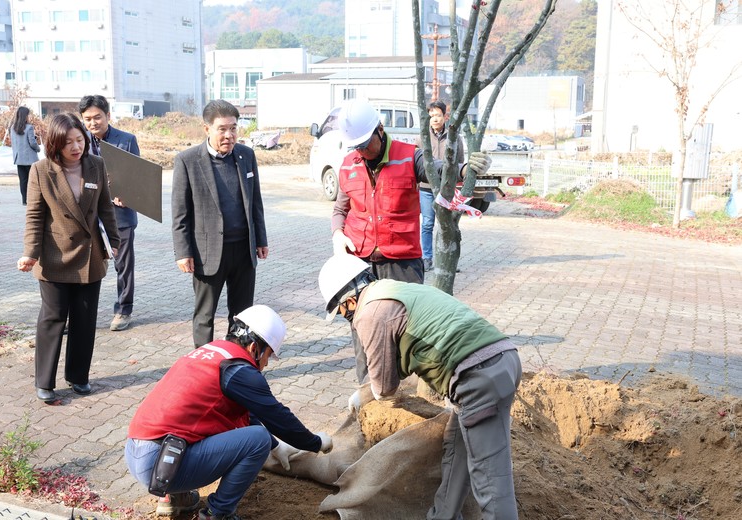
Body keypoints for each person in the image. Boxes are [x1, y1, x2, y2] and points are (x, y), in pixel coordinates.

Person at [318, 254, 522, 520]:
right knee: (457, 450)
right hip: (499, 360)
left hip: (477, 377)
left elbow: (384, 388)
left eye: (341, 312)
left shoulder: (370, 313)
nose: (346, 317)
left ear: (350, 301)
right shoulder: (394, 290)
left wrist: (364, 394)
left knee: (491, 481)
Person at [330, 98, 490, 383]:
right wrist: (338, 234)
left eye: (366, 144)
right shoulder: (348, 164)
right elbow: (340, 209)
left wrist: (466, 169)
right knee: (364, 332)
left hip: (401, 263)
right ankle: (370, 392)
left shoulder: (409, 157)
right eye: (357, 147)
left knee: (406, 333)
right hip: (361, 265)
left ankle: (402, 390)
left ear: (380, 130)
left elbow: (440, 170)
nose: (362, 151)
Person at [125, 304, 333, 520]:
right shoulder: (239, 370)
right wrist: (315, 443)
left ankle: (175, 498)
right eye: (268, 355)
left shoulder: (211, 352)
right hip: (160, 465)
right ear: (254, 348)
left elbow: (245, 414)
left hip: (138, 453)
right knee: (258, 440)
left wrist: (276, 446)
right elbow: (277, 416)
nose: (266, 363)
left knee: (198, 423)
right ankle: (218, 513)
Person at [17, 112, 120, 403]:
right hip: (55, 256)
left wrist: (114, 242)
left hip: (90, 255)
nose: (76, 147)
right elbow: (34, 216)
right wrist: (30, 253)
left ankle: (78, 376)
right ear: (55, 144)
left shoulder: (96, 165)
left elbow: (105, 207)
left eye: (80, 140)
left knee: (85, 320)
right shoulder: (41, 170)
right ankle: (44, 380)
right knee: (53, 318)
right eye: (68, 142)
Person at [172, 100, 268, 347]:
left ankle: (238, 356)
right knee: (205, 315)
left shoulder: (246, 155)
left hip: (243, 250)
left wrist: (261, 239)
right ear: (207, 129)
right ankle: (203, 360)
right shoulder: (187, 160)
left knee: (243, 313)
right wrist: (183, 252)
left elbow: (255, 202)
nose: (229, 135)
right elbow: (180, 213)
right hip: (208, 252)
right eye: (222, 129)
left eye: (233, 128)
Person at [79, 94, 141, 332]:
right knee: (83, 264)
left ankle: (124, 310)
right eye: (87, 119)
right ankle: (78, 313)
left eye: (97, 117)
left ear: (108, 115)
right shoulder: (78, 141)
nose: (92, 123)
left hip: (120, 214)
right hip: (87, 214)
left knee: (123, 265)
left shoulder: (126, 140)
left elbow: (137, 176)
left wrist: (128, 194)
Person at [418, 101, 464, 272]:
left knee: (447, 225)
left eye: (438, 115)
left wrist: (456, 186)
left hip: (446, 189)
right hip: (426, 188)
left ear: (445, 116)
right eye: (431, 116)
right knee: (427, 224)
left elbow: (460, 163)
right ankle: (426, 258)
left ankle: (448, 259)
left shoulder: (455, 138)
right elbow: (416, 163)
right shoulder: (422, 137)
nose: (435, 119)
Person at [9, 106, 41, 205]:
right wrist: (38, 149)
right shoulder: (29, 127)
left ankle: (24, 200)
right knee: (33, 180)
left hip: (19, 158)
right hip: (29, 159)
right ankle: (33, 199)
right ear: (25, 116)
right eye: (28, 114)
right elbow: (32, 143)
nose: (29, 116)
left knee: (23, 180)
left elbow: (14, 142)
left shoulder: (12, 128)